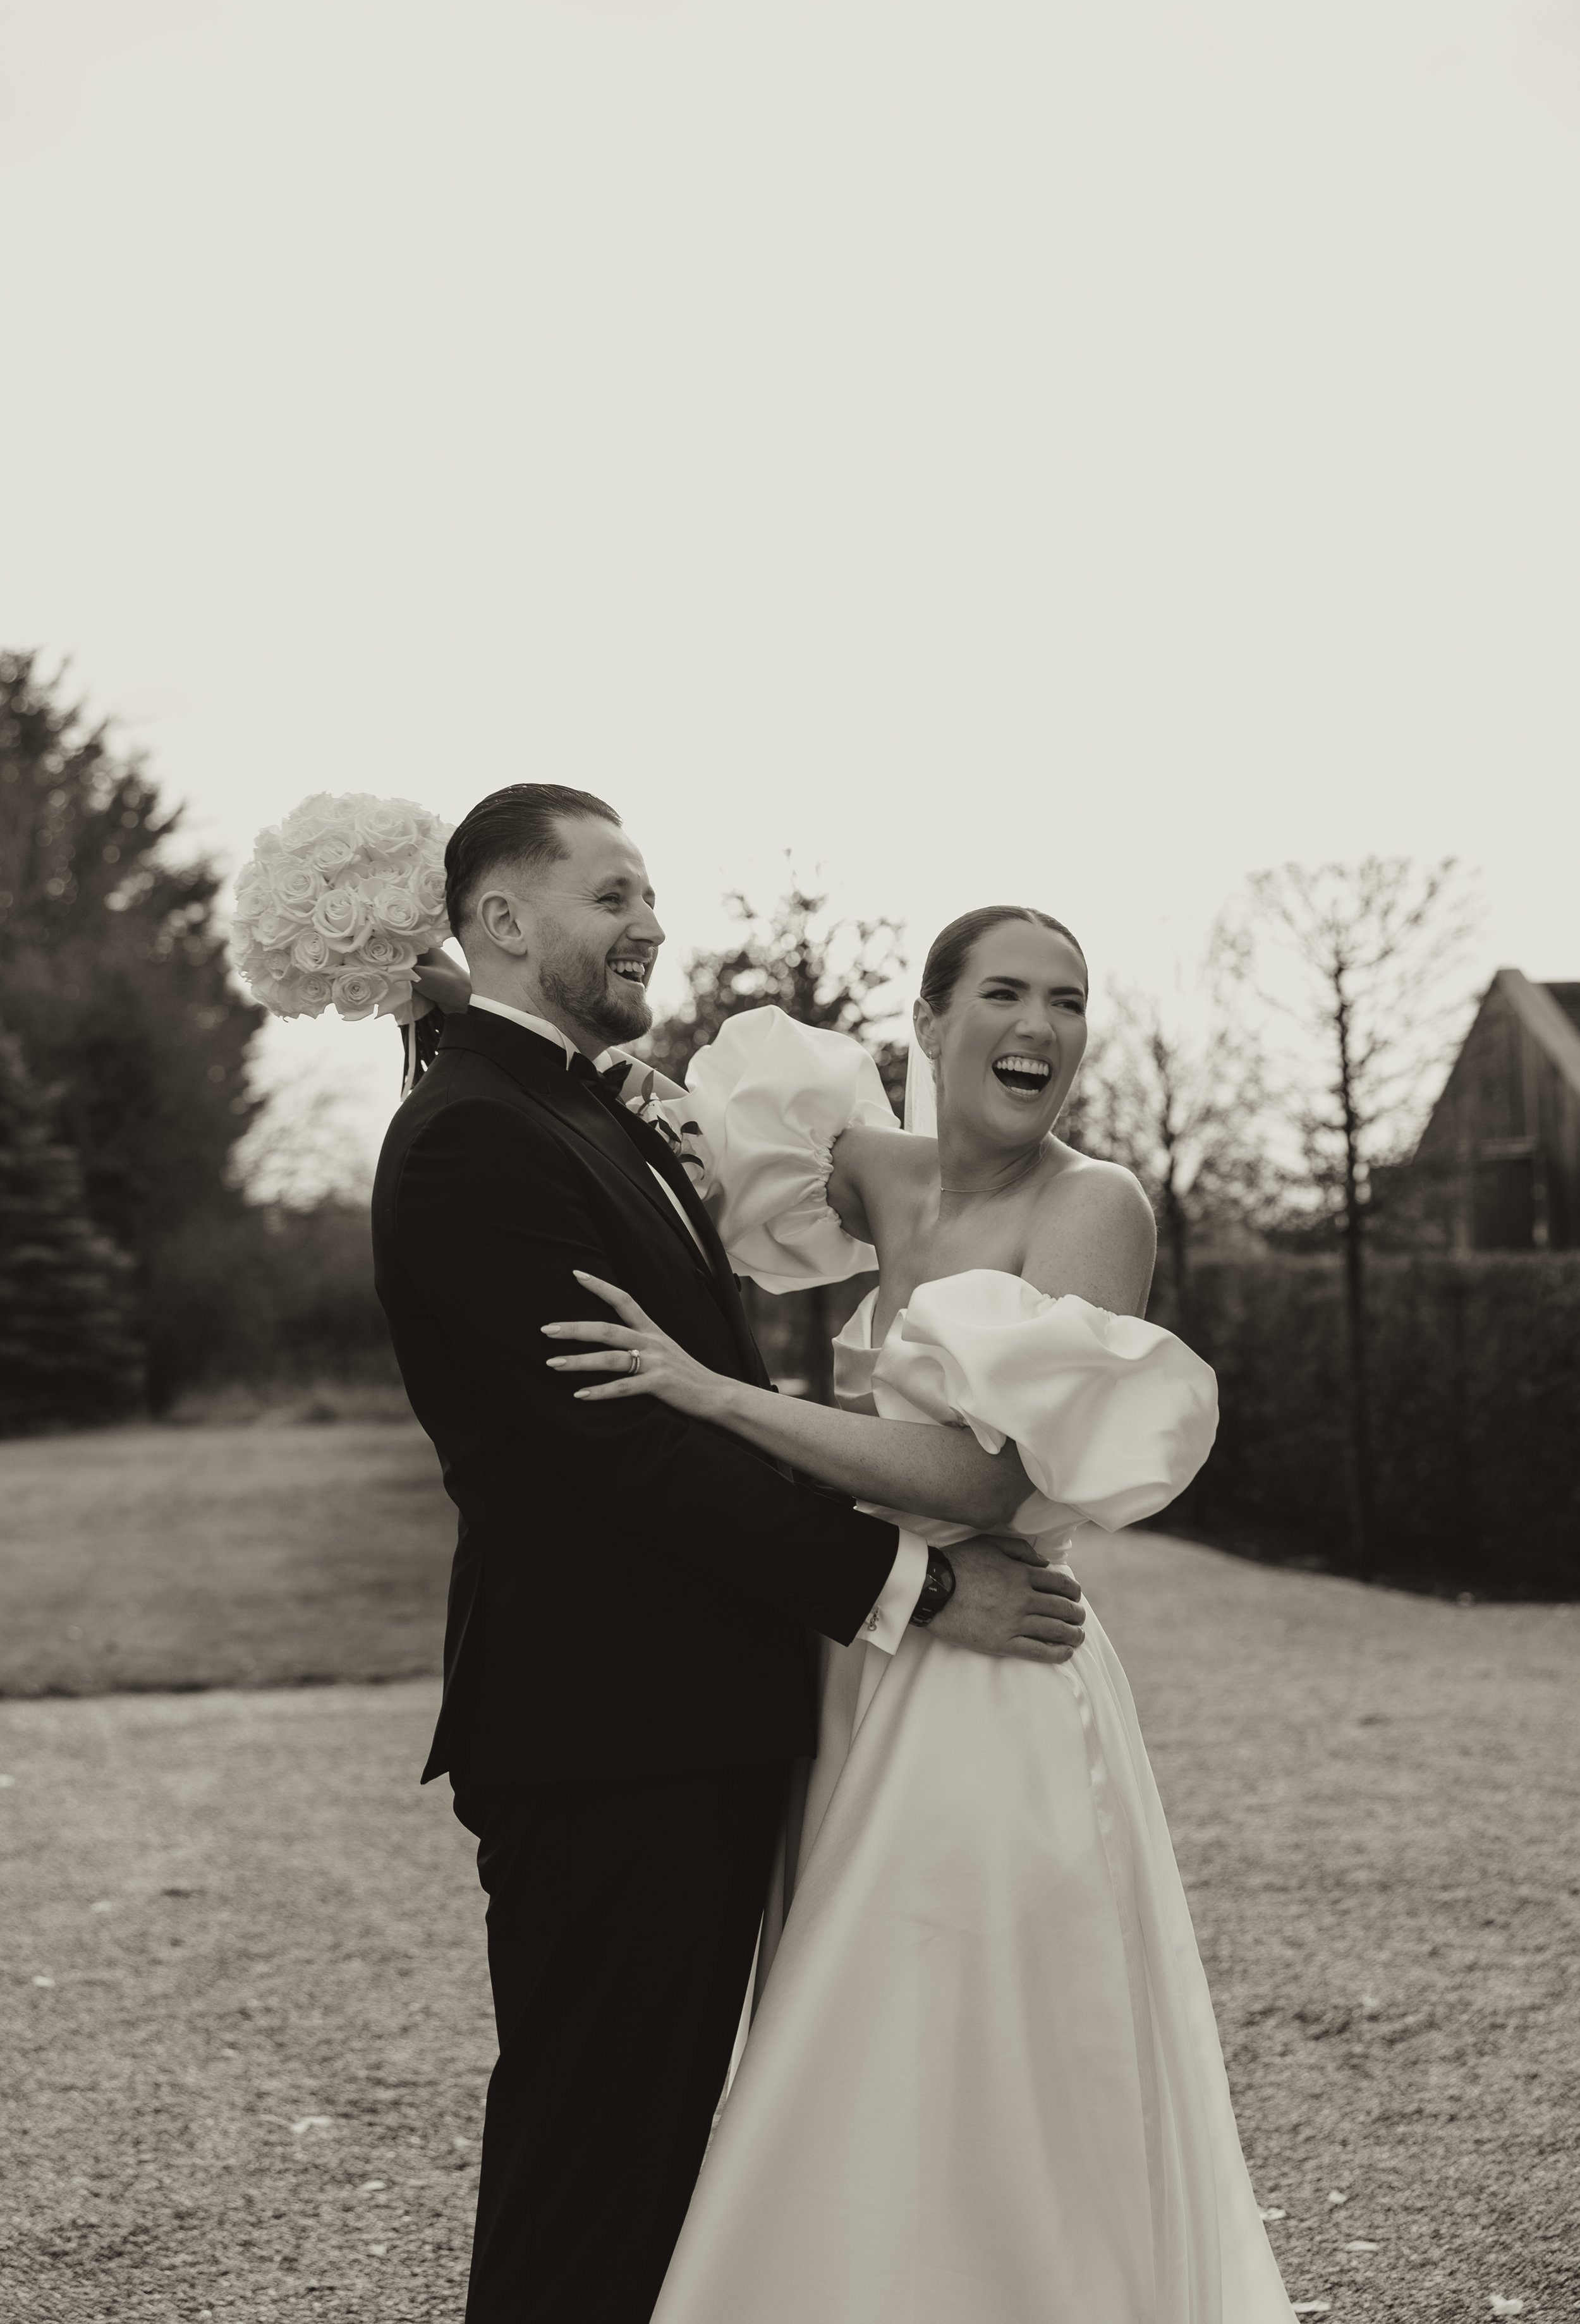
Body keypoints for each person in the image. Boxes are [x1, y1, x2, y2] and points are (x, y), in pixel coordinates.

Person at [370, 787, 1087, 2324]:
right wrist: (918, 1585)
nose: (651, 924)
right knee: (593, 2158)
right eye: (612, 894)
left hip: (686, 1719)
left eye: (651, 895)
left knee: (656, 2153)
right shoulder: (474, 1141)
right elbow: (622, 1452)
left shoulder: (574, 1107)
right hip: (606, 1731)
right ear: (502, 921)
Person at [536, 905, 1298, 2323]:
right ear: (928, 1025)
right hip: (855, 1666)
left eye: (1066, 1001)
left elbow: (978, 1475)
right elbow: (665, 1121)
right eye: (1002, 993)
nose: (1039, 1027)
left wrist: (708, 1394)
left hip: (993, 1673)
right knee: (851, 2023)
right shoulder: (872, 1167)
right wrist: (459, 996)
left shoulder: (1097, 1207)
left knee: (955, 2023)